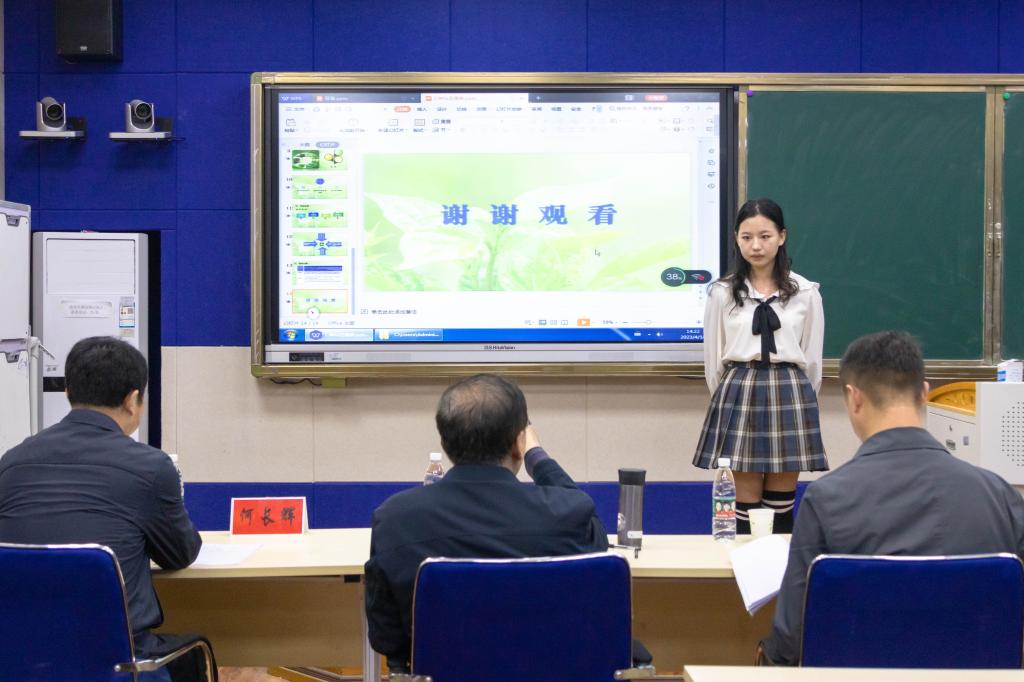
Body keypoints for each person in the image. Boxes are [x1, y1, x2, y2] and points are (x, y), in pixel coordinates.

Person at [760, 331, 1024, 665]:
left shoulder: (825, 499)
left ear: (854, 398)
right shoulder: (1000, 496)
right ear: (924, 393)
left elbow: (791, 639)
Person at [364, 373, 610, 672]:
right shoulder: (567, 513)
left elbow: (386, 639)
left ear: (444, 442)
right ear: (518, 444)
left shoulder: (394, 519)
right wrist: (537, 456)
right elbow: (598, 539)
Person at [0, 336, 212, 682]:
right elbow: (180, 554)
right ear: (132, 400)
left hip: (20, 662)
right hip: (119, 664)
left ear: (68, 392)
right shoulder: (150, 467)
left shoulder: (11, 463)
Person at [693, 198, 827, 534]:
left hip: (790, 393)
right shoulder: (721, 293)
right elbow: (714, 361)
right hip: (739, 390)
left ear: (782, 236)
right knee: (744, 511)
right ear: (736, 239)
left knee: (781, 512)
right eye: (747, 237)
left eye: (765, 236)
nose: (756, 245)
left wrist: (802, 399)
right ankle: (741, 567)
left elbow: (812, 361)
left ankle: (782, 570)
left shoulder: (806, 292)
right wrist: (729, 397)